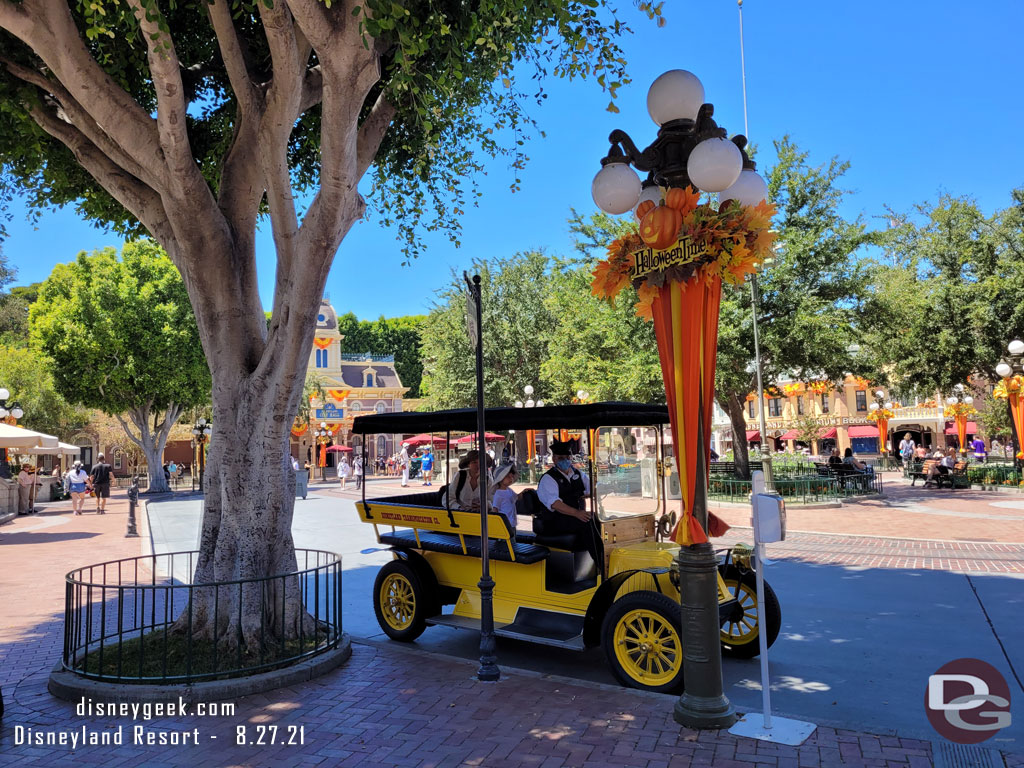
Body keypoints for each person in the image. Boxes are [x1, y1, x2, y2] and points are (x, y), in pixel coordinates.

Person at [537, 439, 600, 563]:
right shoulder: (548, 479)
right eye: (561, 458)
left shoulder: (577, 474)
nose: (565, 461)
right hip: (555, 521)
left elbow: (591, 488)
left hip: (574, 519)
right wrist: (577, 513)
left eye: (567, 457)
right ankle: (600, 564)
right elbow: (555, 504)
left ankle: (598, 560)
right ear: (554, 459)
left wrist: (601, 488)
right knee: (587, 524)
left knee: (598, 521)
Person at [490, 463, 520, 534]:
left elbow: (516, 497)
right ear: (501, 479)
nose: (511, 478)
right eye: (508, 476)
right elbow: (495, 509)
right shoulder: (498, 494)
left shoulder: (509, 490)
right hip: (504, 524)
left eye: (511, 476)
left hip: (512, 523)